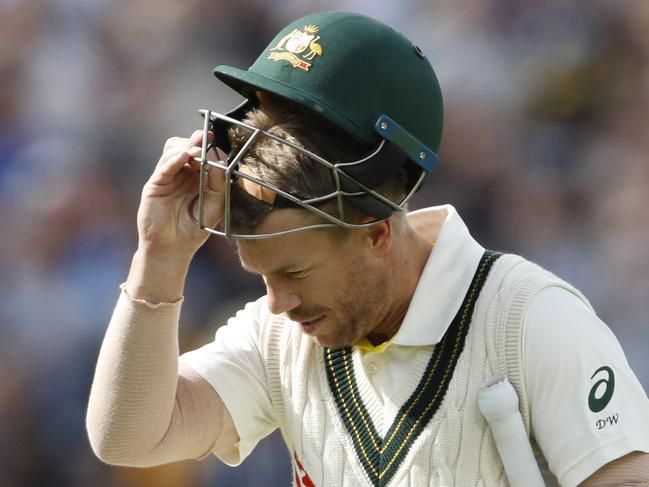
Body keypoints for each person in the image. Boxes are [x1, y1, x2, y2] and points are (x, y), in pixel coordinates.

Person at [86, 11, 649, 487]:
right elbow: (130, 438)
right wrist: (158, 259)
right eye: (261, 275)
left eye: (295, 271)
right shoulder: (276, 336)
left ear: (376, 231)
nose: (277, 302)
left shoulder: (532, 320)